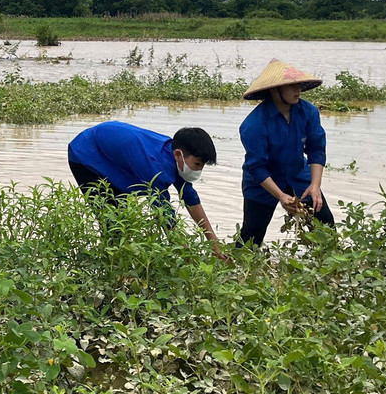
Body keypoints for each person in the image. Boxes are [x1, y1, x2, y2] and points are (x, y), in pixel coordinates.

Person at [67, 121, 227, 261]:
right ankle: (112, 268)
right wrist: (186, 258)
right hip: (86, 154)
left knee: (123, 218)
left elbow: (190, 198)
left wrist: (214, 244)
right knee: (112, 223)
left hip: (116, 151)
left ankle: (119, 262)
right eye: (197, 164)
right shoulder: (154, 168)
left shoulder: (176, 157)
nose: (199, 170)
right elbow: (165, 216)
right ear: (178, 154)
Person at [238, 59, 335, 246]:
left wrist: (315, 185)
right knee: (251, 237)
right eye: (291, 86)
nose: (297, 90)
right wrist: (281, 196)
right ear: (275, 90)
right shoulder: (253, 124)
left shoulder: (309, 112)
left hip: (299, 174)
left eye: (298, 85)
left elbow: (316, 149)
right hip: (262, 183)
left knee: (326, 227)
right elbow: (257, 167)